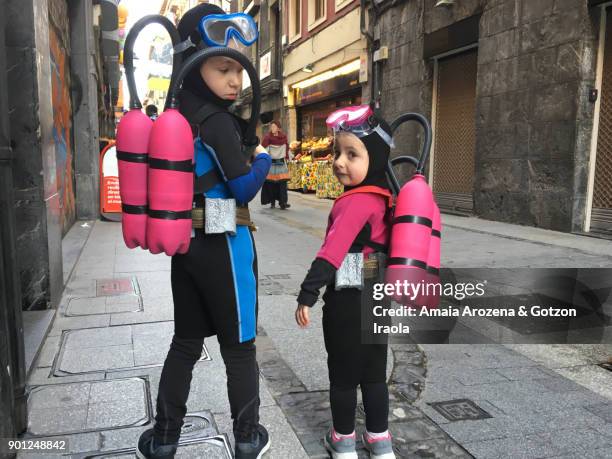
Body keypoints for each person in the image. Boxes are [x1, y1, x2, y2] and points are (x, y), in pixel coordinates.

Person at [136, 5, 272, 459]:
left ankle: (165, 436)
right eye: (224, 68)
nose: (236, 80)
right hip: (225, 247)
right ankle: (249, 437)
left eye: (237, 69)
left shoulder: (180, 113)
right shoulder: (215, 120)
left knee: (186, 344)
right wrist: (266, 161)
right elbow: (242, 188)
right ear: (195, 63)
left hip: (187, 246)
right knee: (240, 348)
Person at [295, 105, 396, 459]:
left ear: (377, 158)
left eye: (352, 154)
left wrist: (307, 294)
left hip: (349, 297)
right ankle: (380, 440)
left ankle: (343, 441)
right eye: (338, 152)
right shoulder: (385, 198)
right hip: (377, 290)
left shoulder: (354, 204)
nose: (339, 161)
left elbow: (332, 252)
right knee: (373, 373)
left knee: (342, 375)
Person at [260, 120, 291, 209]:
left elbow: (286, 148)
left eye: (274, 126)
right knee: (271, 184)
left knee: (282, 184)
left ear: (278, 128)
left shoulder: (283, 137)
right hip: (271, 164)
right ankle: (272, 202)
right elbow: (263, 150)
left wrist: (288, 157)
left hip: (281, 163)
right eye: (271, 127)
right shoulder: (267, 138)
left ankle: (283, 203)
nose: (272, 128)